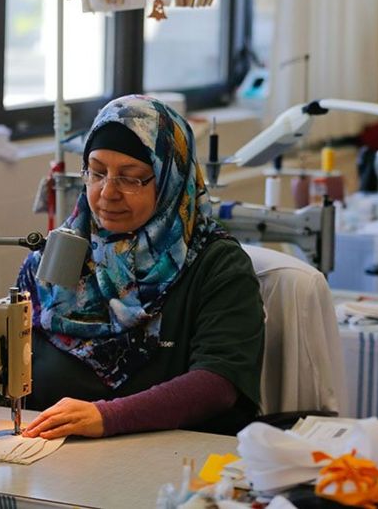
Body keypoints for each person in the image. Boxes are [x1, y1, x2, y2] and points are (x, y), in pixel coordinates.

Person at [17, 95, 264, 439]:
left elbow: (218, 383)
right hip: (59, 453)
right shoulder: (62, 254)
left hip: (173, 460)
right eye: (97, 172)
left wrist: (107, 416)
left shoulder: (218, 266)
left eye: (131, 178)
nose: (107, 193)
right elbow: (8, 350)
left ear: (170, 179)